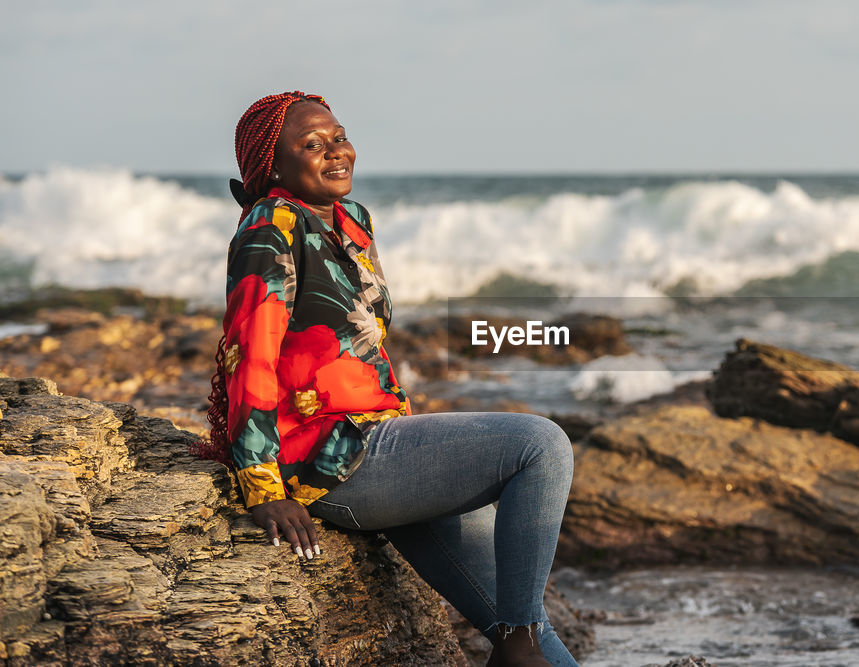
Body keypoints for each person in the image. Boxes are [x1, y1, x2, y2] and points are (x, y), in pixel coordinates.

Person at [197, 91, 578, 667]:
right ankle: (520, 640)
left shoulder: (354, 221)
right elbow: (249, 356)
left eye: (339, 136)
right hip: (332, 458)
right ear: (271, 165)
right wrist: (264, 488)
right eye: (312, 145)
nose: (336, 152)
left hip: (385, 442)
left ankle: (519, 640)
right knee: (542, 445)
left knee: (519, 626)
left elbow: (362, 349)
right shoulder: (268, 229)